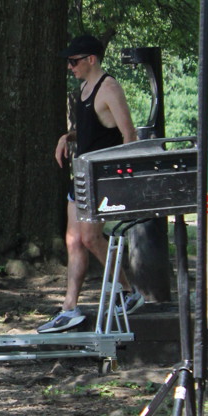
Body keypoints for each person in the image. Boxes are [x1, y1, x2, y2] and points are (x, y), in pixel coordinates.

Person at [39, 33, 142, 333]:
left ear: (91, 59)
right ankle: (69, 308)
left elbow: (128, 134)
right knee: (73, 240)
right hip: (82, 176)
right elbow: (89, 131)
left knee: (90, 238)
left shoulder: (109, 88)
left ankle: (128, 292)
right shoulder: (84, 89)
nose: (70, 67)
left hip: (102, 178)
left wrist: (123, 178)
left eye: (74, 61)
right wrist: (66, 137)